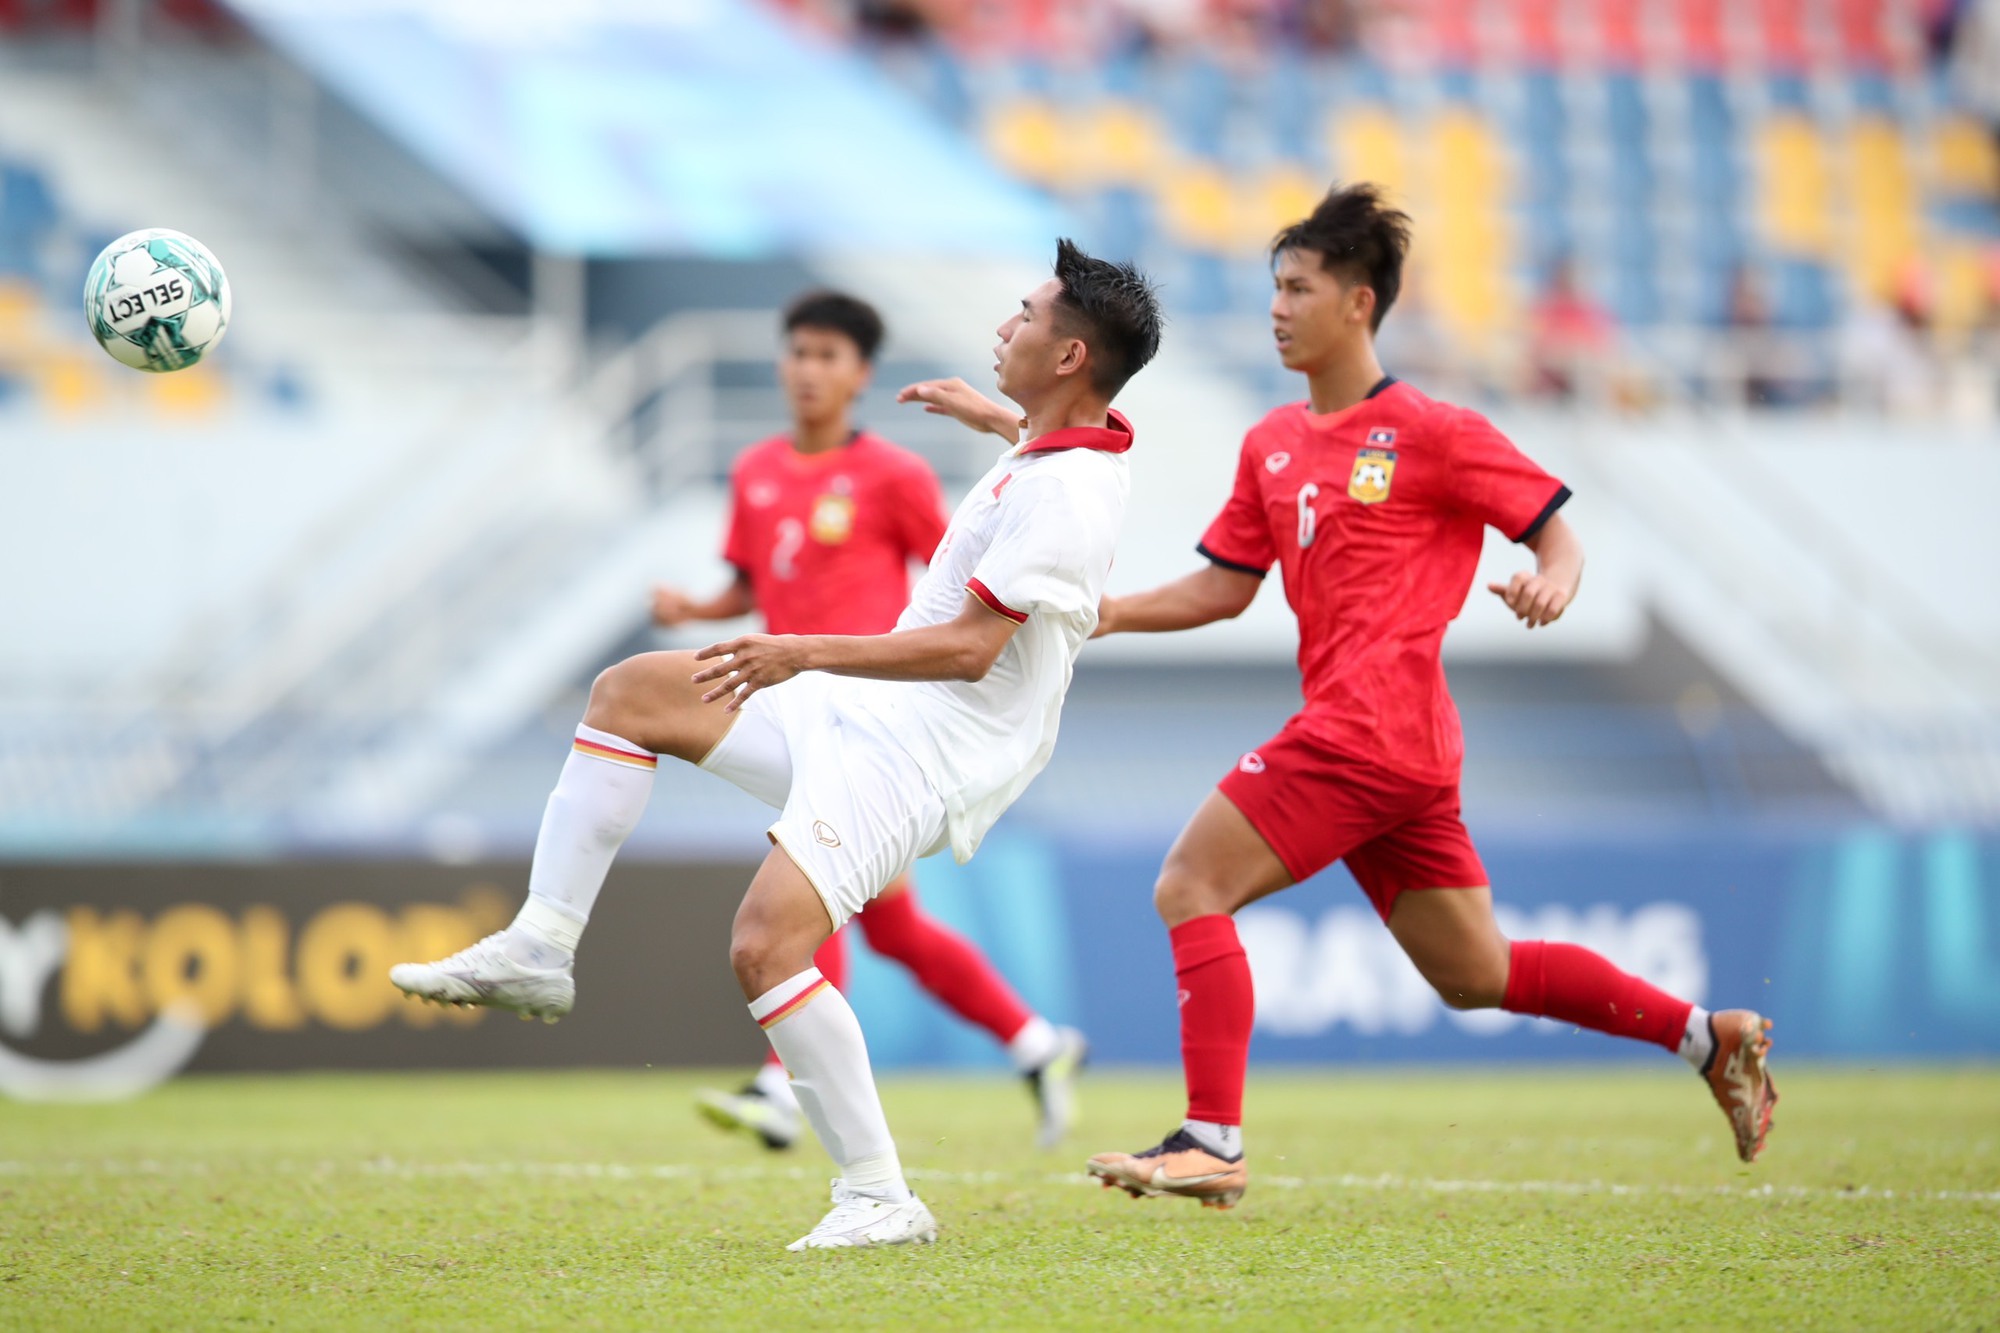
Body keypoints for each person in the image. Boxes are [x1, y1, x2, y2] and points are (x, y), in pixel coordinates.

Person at [391, 240, 1163, 1250]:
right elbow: (1058, 443)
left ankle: (879, 1195)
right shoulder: (1059, 447)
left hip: (921, 750)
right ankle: (541, 945)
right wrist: (999, 420)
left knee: (765, 947)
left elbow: (974, 649)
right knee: (632, 693)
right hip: (863, 705)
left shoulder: (1062, 496)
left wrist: (798, 648)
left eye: (1021, 314)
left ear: (1068, 356)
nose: (1001, 328)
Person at [1083, 184, 1777, 1212]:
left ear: (1358, 302)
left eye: (1296, 287)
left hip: (1363, 733)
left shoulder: (1431, 430)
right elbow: (1224, 590)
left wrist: (1553, 578)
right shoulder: (1268, 441)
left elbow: (1555, 530)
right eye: (1271, 286)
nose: (1275, 307)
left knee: (1189, 884)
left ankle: (1211, 1139)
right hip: (1401, 753)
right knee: (1473, 974)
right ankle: (1702, 1036)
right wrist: (1102, 613)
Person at [650, 289, 1087, 1152]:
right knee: (889, 925)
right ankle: (1037, 1043)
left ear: (860, 375)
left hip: (872, 712)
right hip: (788, 700)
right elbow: (751, 583)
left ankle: (782, 1086)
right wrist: (696, 605)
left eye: (828, 355)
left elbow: (962, 565)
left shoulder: (894, 475)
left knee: (809, 873)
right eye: (798, 352)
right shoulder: (755, 472)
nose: (809, 370)